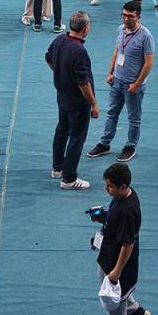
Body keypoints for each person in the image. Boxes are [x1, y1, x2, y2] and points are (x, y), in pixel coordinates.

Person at [87, 0, 154, 163]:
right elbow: (117, 52)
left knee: (134, 118)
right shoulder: (120, 30)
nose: (126, 19)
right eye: (123, 15)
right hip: (116, 82)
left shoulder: (146, 36)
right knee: (111, 114)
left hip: (132, 85)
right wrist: (110, 73)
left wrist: (137, 84)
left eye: (130, 16)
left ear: (138, 17)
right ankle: (105, 143)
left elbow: (148, 63)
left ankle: (130, 146)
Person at [91, 163, 145, 315]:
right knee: (114, 285)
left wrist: (116, 271)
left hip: (118, 259)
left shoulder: (127, 211)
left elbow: (128, 245)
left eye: (110, 186)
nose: (106, 189)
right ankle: (133, 311)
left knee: (113, 293)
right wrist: (104, 218)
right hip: (110, 252)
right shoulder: (124, 195)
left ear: (122, 186)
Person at [46, 10, 100, 190]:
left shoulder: (59, 40)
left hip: (62, 96)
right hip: (78, 102)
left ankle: (57, 167)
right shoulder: (79, 51)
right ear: (86, 29)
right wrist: (93, 103)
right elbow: (83, 83)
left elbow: (48, 59)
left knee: (62, 131)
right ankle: (69, 179)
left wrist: (61, 73)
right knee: (76, 138)